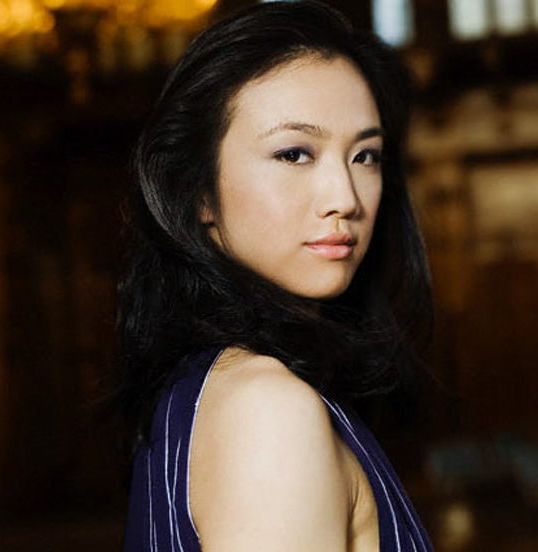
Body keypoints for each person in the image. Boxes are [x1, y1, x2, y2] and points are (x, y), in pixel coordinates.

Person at [117, 1, 434, 551]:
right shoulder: (266, 409)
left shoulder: (216, 388)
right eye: (293, 154)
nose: (345, 198)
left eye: (365, 156)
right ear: (197, 192)